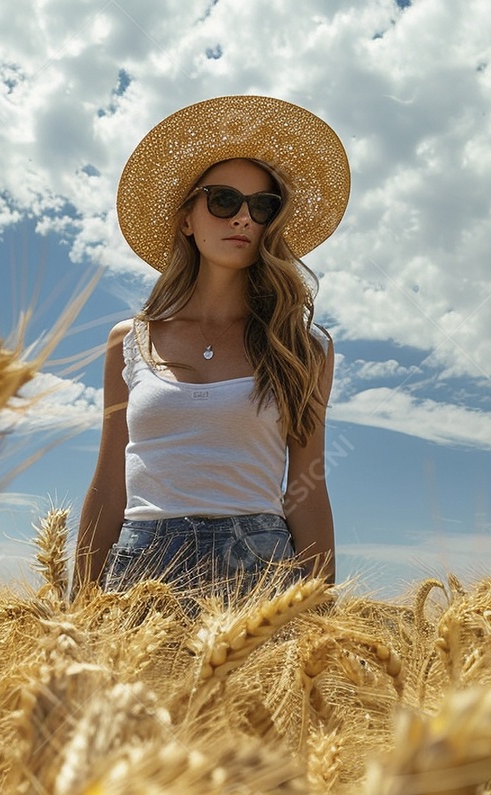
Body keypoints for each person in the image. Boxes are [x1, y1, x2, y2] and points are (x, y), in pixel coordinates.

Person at [72, 95, 350, 603]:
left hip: (260, 572)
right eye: (223, 201)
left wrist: (321, 618)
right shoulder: (128, 342)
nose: (243, 217)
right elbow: (110, 485)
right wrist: (76, 610)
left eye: (262, 206)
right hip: (141, 572)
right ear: (186, 219)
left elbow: (306, 491)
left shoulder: (301, 346)